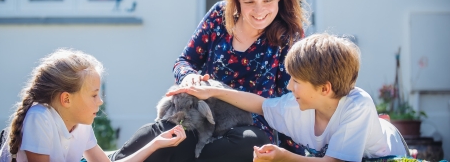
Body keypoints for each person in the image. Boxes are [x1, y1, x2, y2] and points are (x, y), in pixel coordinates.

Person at [168, 33, 409, 162]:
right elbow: (261, 105)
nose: (289, 86)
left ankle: (384, 126)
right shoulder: (298, 106)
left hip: (385, 154)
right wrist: (214, 91)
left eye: (296, 81)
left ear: (324, 89)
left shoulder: (358, 104)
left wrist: (284, 157)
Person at [172, 0, 309, 160]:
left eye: (268, 0)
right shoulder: (219, 15)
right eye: (249, 1)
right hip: (204, 118)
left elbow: (288, 104)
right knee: (158, 135)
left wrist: (293, 157)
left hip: (250, 129)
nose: (259, 10)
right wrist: (189, 76)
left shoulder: (289, 37)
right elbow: (185, 61)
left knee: (250, 144)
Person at [0, 48, 189, 162]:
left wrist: (156, 143)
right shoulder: (39, 118)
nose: (100, 101)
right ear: (66, 99)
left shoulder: (81, 124)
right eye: (94, 95)